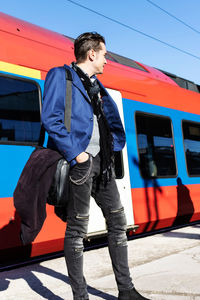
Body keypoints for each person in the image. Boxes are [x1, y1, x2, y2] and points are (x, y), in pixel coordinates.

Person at [42, 32, 150, 300]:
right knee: (77, 230)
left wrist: (110, 153)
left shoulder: (96, 86)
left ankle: (126, 290)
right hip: (80, 164)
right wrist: (77, 154)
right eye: (104, 54)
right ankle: (81, 297)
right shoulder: (61, 76)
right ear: (92, 54)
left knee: (118, 221)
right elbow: (50, 118)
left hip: (103, 166)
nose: (106, 61)